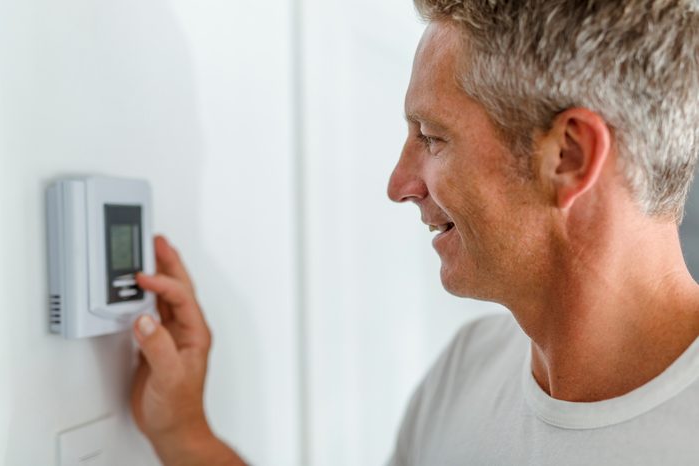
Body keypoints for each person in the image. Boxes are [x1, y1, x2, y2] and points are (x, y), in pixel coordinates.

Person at [130, 1, 699, 464]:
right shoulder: (469, 368)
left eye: (431, 137)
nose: (399, 184)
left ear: (570, 155)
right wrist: (184, 434)